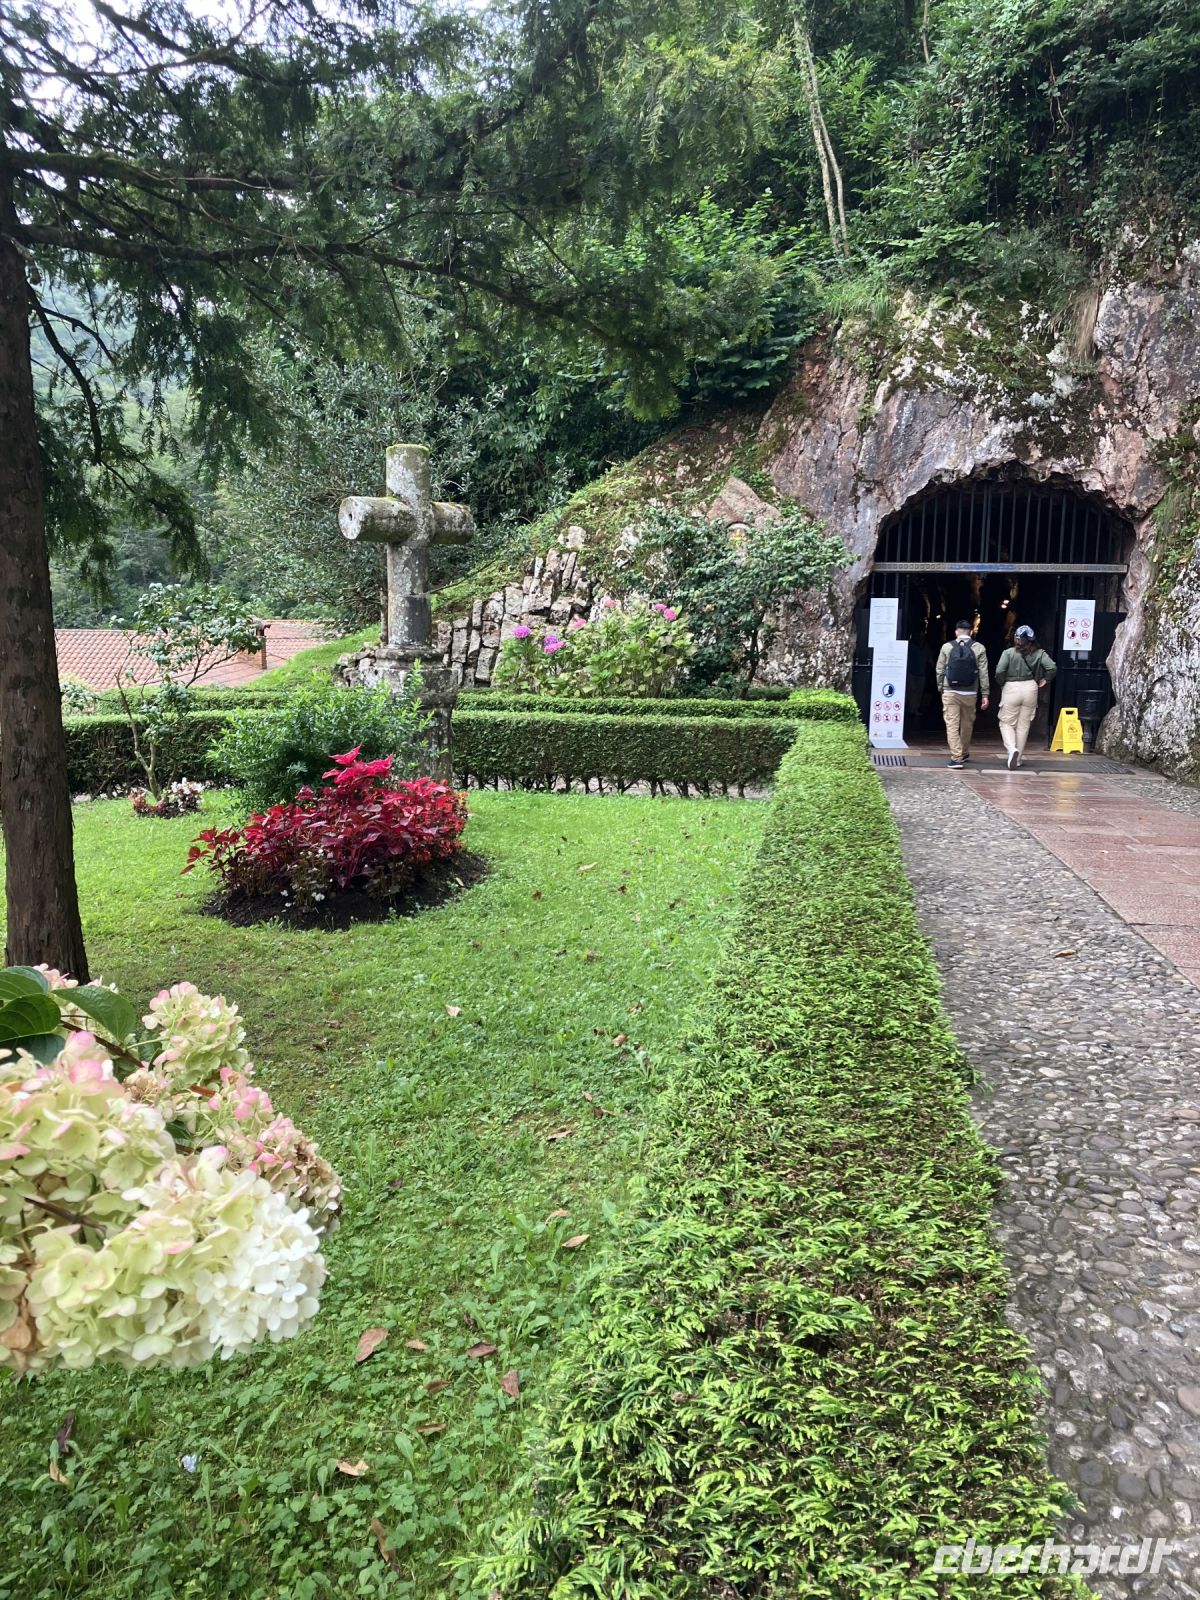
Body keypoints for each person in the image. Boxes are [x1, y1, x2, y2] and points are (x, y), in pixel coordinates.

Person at [995, 624, 1057, 770]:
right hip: (1030, 688)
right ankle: (1018, 759)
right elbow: (1052, 667)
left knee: (1006, 723)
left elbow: (999, 671)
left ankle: (1011, 749)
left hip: (1011, 687)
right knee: (1023, 726)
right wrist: (1046, 679)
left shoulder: (1008, 653)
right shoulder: (1039, 653)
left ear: (1016, 639)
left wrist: (1002, 684)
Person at [936, 619, 990, 769]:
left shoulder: (946, 647)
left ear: (956, 632)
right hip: (970, 692)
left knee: (952, 724)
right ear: (971, 632)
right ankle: (964, 751)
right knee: (967, 723)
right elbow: (983, 673)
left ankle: (956, 757)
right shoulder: (979, 648)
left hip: (950, 691)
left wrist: (941, 689)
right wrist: (985, 694)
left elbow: (939, 670)